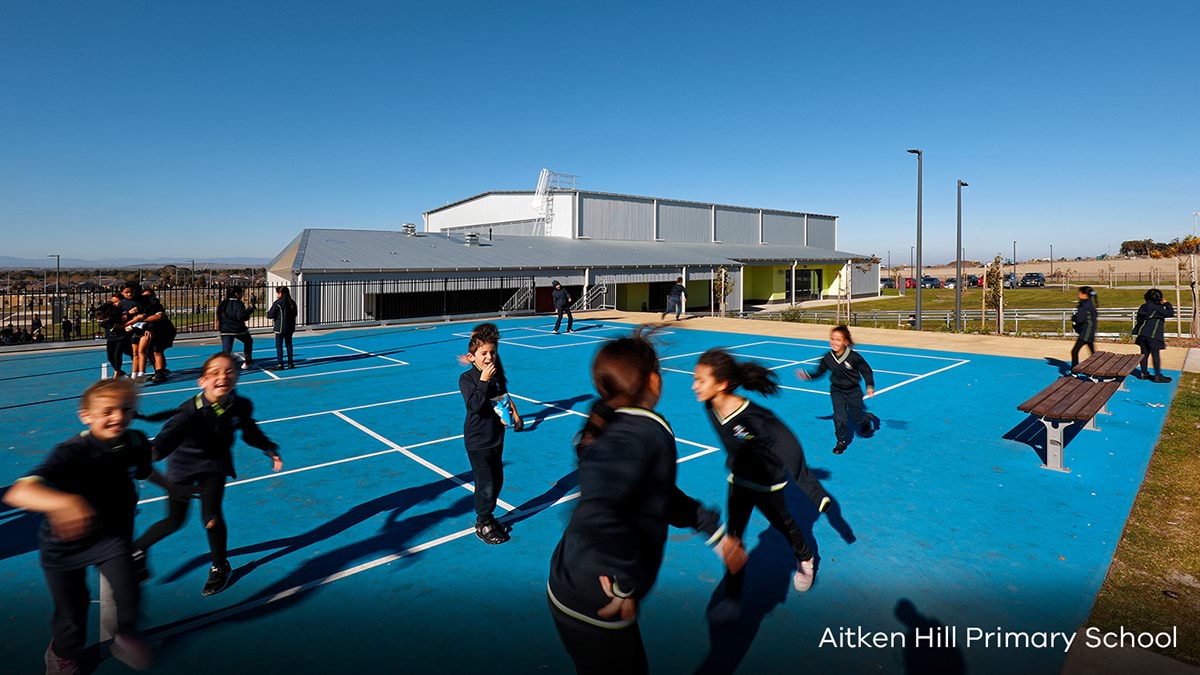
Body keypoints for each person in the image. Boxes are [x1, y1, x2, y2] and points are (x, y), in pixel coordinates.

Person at [548, 331, 741, 674]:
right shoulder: (648, 434)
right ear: (653, 380)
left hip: (566, 581)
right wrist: (623, 583)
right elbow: (604, 509)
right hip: (601, 599)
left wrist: (710, 529)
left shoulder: (608, 425)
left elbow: (655, 493)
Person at [3, 379, 163, 673]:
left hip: (111, 537)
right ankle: (62, 652)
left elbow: (144, 470)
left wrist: (170, 486)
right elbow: (19, 492)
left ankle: (125, 632)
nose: (118, 416)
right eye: (107, 411)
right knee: (71, 612)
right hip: (64, 547)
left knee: (128, 588)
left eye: (126, 409)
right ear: (85, 415)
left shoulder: (136, 441)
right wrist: (63, 503)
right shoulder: (72, 452)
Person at [693, 348, 828, 621]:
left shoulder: (754, 416)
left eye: (701, 380)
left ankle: (806, 558)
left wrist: (814, 490)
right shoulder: (710, 405)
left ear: (721, 385)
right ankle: (733, 597)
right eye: (695, 379)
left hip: (768, 481)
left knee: (783, 523)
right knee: (734, 538)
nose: (695, 386)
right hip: (740, 479)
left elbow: (788, 446)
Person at [132, 353, 282, 596]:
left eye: (229, 371)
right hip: (182, 466)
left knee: (211, 517)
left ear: (238, 376)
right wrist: (149, 456)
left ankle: (220, 565)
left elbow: (249, 430)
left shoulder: (240, 405)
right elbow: (166, 440)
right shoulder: (188, 412)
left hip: (214, 465)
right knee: (174, 521)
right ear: (201, 381)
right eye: (214, 373)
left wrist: (268, 448)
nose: (222, 376)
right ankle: (137, 550)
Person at [459, 327, 516, 544]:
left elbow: (501, 396)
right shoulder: (467, 379)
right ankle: (482, 523)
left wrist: (510, 415)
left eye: (492, 353)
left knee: (497, 480)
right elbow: (474, 405)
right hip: (477, 440)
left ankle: (489, 517)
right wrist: (483, 380)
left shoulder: (495, 374)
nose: (489, 357)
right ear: (472, 356)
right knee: (486, 484)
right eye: (484, 353)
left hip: (496, 437)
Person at [797, 325, 877, 454]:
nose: (834, 342)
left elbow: (866, 371)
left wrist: (869, 386)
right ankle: (841, 441)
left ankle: (866, 420)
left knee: (856, 416)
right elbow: (820, 372)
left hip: (853, 391)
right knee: (839, 417)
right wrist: (808, 376)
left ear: (845, 342)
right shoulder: (827, 357)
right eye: (832, 339)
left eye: (838, 340)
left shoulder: (854, 357)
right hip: (837, 391)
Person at [1132, 288, 1174, 383]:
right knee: (1155, 355)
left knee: (1144, 354)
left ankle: (1144, 373)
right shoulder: (1158, 309)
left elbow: (1139, 318)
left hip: (1142, 334)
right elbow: (1170, 313)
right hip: (1153, 335)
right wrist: (1167, 303)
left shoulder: (1143, 306)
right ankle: (1157, 376)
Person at [217, 287, 256, 369]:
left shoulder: (223, 303)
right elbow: (241, 317)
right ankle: (248, 362)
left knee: (227, 349)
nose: (242, 294)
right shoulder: (238, 304)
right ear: (236, 294)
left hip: (225, 329)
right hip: (237, 329)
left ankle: (224, 366)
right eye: (241, 292)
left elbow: (218, 314)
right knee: (248, 341)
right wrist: (250, 310)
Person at [96, 294, 130, 378]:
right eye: (113, 302)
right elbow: (103, 320)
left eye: (116, 301)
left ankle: (116, 373)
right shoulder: (108, 312)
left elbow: (123, 321)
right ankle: (119, 371)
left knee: (117, 355)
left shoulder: (123, 310)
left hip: (121, 336)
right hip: (111, 336)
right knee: (110, 357)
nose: (115, 303)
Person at [266, 286, 298, 370]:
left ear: (280, 293)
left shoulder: (278, 303)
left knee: (279, 345)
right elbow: (295, 314)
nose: (276, 294)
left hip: (280, 327)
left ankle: (280, 364)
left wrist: (269, 314)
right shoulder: (292, 303)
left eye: (277, 293)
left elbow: (270, 314)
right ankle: (290, 363)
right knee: (289, 344)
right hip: (290, 327)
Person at [1070, 286, 1098, 369]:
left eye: (1080, 293)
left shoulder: (1085, 305)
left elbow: (1080, 318)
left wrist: (1074, 318)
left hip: (1086, 332)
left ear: (1085, 295)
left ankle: (1074, 371)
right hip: (1089, 331)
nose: (1078, 294)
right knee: (1092, 352)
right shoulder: (1088, 303)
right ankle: (1097, 368)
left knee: (1074, 351)